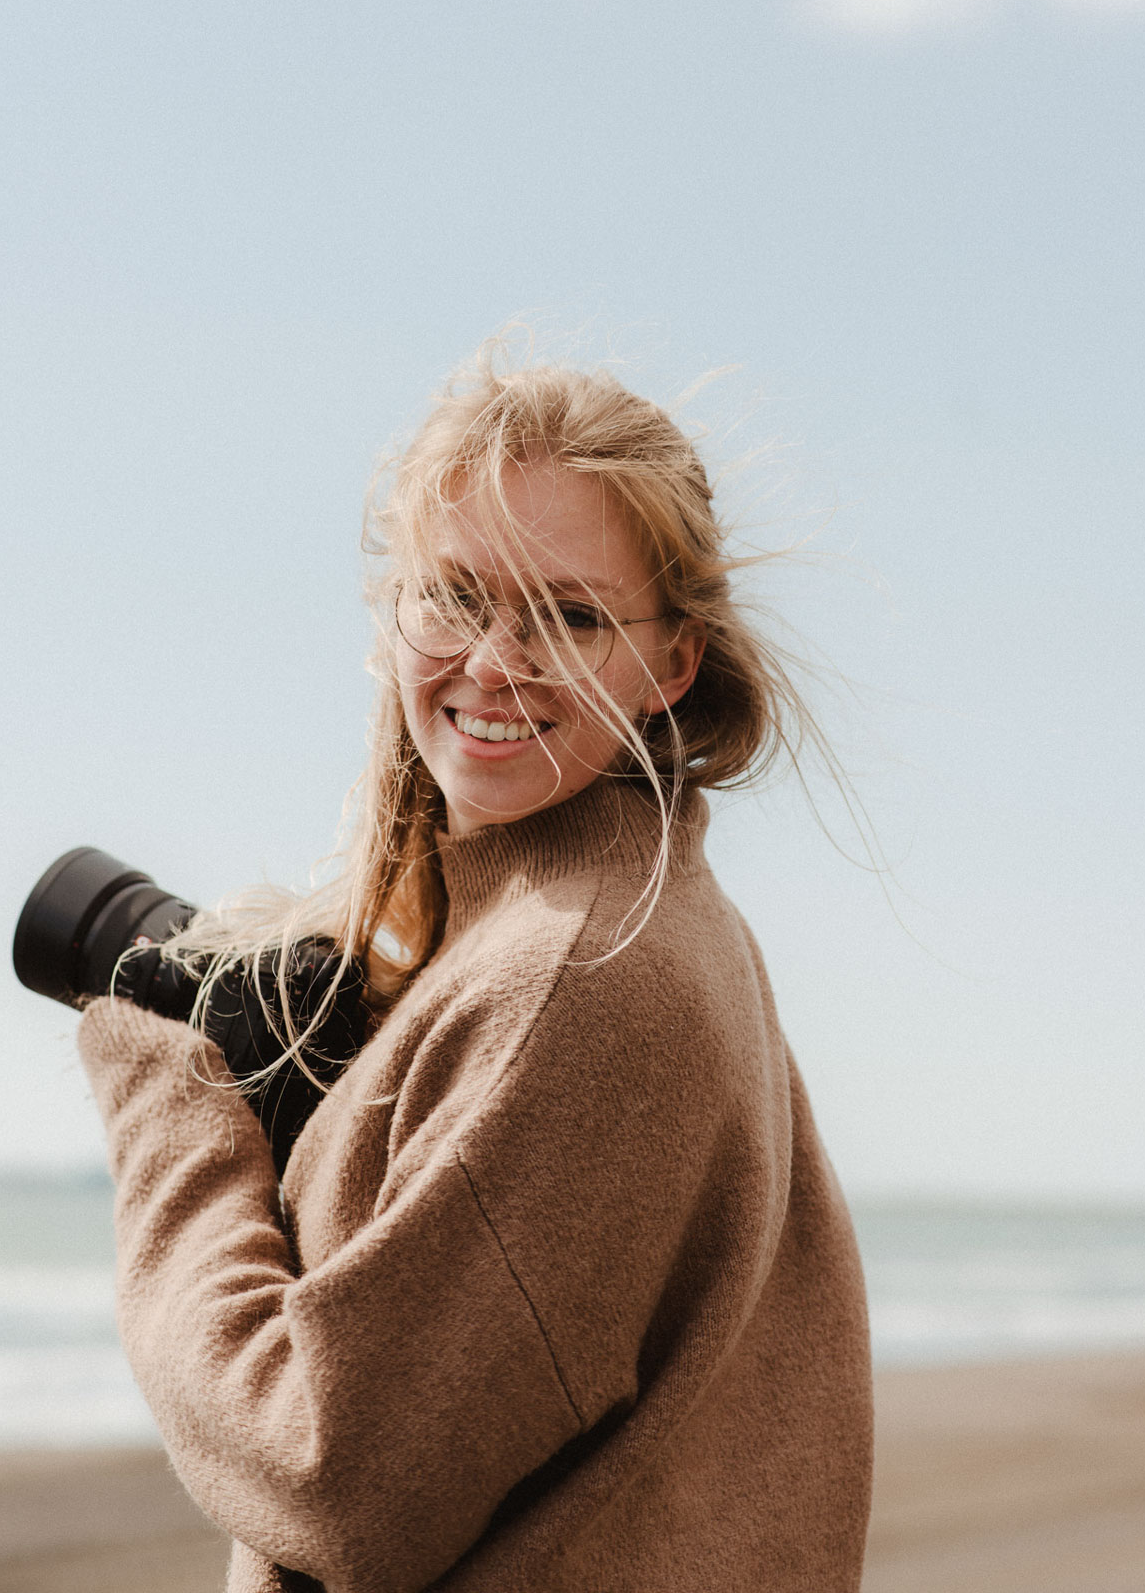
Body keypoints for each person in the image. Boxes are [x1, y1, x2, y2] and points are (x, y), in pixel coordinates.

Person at [77, 349, 874, 1593]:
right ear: (392, 609)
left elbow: (330, 1477)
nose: (494, 664)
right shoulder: (619, 921)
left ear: (670, 665)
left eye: (568, 614)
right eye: (451, 595)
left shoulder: (583, 973)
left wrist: (174, 1108)